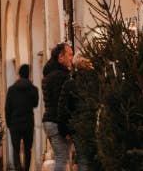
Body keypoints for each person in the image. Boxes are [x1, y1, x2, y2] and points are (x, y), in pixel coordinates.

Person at [59, 55, 95, 171]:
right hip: (95, 125)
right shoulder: (96, 83)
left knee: (82, 159)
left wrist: (64, 130)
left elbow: (63, 109)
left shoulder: (69, 84)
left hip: (77, 128)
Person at [41, 43, 74, 171]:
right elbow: (61, 104)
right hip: (56, 122)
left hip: (49, 121)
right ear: (61, 57)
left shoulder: (49, 75)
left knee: (61, 157)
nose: (71, 58)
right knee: (62, 158)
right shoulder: (61, 76)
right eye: (70, 55)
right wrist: (65, 129)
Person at [5, 64, 39, 171]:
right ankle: (26, 168)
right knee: (28, 149)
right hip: (28, 122)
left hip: (15, 123)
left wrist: (8, 123)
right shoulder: (33, 89)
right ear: (28, 74)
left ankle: (18, 168)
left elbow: (7, 108)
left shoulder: (11, 89)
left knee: (16, 149)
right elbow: (35, 104)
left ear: (19, 74)